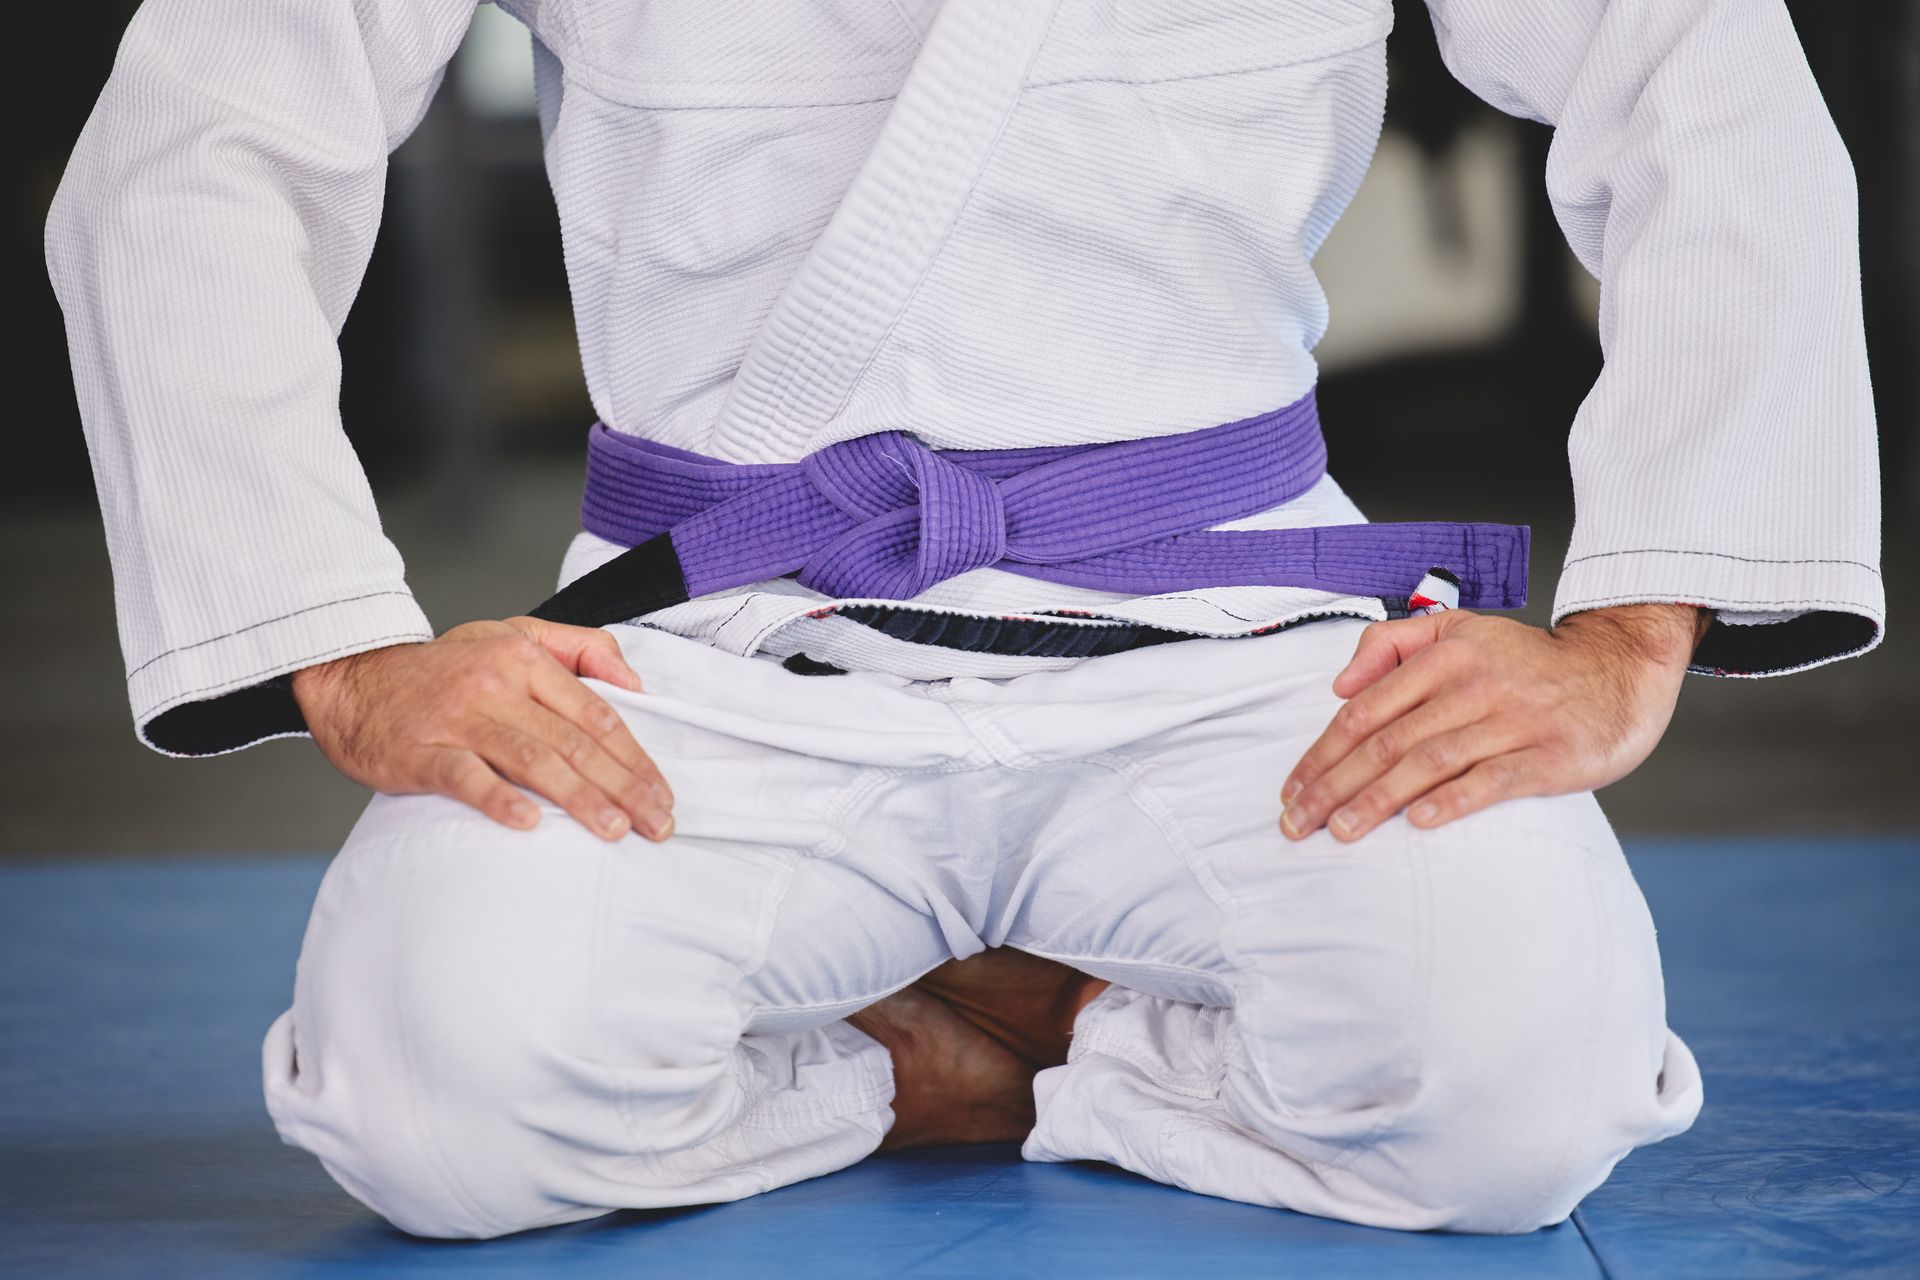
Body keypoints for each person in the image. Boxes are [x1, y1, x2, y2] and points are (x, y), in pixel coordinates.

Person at [47, 0, 1881, 1241]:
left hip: (1234, 625)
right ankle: (925, 1067)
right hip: (723, 641)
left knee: (1524, 1100)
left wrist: (1639, 628)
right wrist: (337, 642)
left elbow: (1701, 79)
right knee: (423, 1100)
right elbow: (197, 142)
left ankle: (1030, 1021)